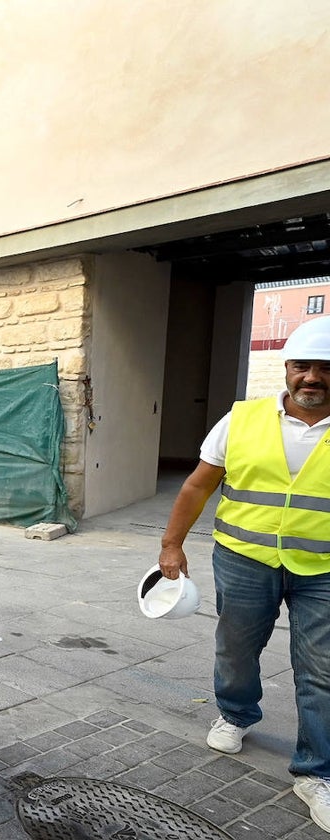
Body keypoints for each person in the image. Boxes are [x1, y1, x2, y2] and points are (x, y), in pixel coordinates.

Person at [157, 315, 330, 834]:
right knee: (236, 647)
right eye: (302, 366)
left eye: (325, 368)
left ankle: (316, 773)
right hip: (244, 557)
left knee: (322, 669)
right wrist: (172, 543)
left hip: (323, 567)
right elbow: (195, 486)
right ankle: (235, 714)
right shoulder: (242, 419)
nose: (312, 378)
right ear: (287, 369)